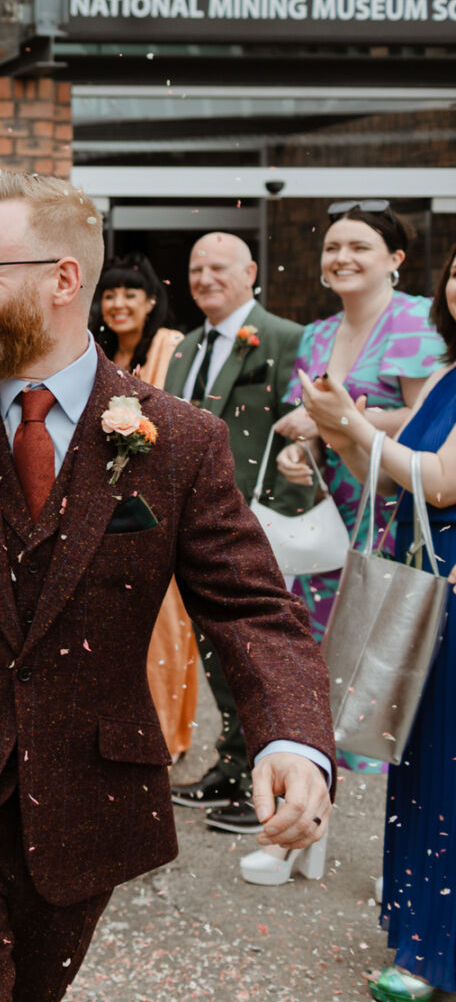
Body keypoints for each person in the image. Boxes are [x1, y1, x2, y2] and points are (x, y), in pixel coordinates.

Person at [0, 169, 335, 1002]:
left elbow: (253, 605)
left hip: (86, 799)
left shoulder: (178, 439)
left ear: (62, 278)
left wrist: (292, 737)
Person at [297, 238, 456, 1000]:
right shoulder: (452, 375)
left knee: (450, 771)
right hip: (428, 590)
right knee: (421, 763)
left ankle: (433, 956)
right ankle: (420, 934)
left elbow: (443, 481)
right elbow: (387, 469)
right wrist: (334, 431)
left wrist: (359, 430)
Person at [276, 202, 443, 775]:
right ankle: (307, 817)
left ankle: (389, 829)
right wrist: (303, 449)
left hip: (397, 513)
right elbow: (314, 422)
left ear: (395, 259)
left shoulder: (417, 321)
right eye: (333, 248)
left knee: (383, 665)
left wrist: (339, 421)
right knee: (321, 662)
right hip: (332, 520)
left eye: (359, 247)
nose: (341, 258)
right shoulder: (316, 335)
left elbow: (427, 421)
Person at [161, 232, 317, 834]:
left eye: (218, 267)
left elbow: (303, 430)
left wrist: (286, 513)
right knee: (214, 651)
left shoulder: (284, 338)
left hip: (259, 519)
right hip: (191, 524)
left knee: (256, 652)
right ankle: (230, 763)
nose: (205, 278)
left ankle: (269, 778)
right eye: (196, 268)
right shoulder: (186, 347)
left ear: (250, 270)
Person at [90, 254, 196, 761]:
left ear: (151, 300)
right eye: (110, 294)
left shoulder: (171, 348)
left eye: (131, 293)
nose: (118, 304)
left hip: (159, 504)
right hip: (105, 504)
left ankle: (166, 735)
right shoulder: (97, 353)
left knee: (166, 622)